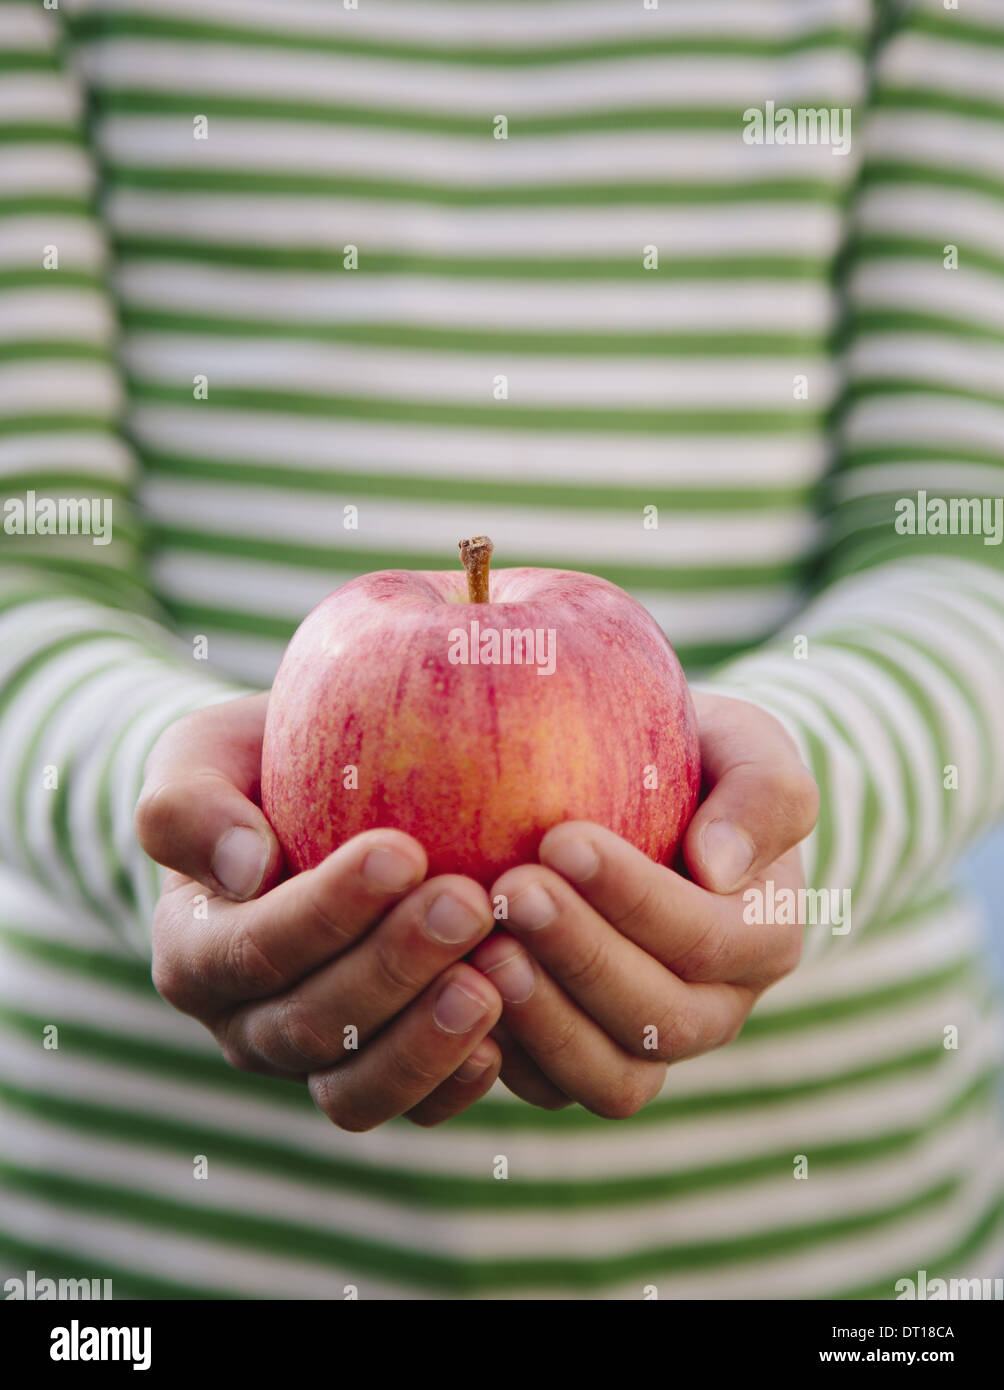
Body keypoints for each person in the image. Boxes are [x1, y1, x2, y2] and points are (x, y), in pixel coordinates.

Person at [1, 0, 1001, 1299]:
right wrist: (163, 811)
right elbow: (28, 554)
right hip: (142, 1237)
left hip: (820, 1243)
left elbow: (962, 535)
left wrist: (776, 833)